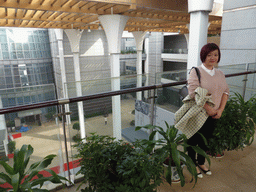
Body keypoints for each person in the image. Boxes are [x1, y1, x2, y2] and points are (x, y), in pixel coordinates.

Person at [187, 43, 229, 178]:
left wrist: (220, 110)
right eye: (209, 54)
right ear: (203, 55)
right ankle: (192, 163)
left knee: (205, 141)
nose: (213, 57)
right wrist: (208, 109)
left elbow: (226, 92)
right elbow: (193, 92)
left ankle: (201, 162)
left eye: (215, 55)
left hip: (214, 115)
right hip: (198, 114)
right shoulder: (196, 71)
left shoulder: (220, 73)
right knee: (193, 140)